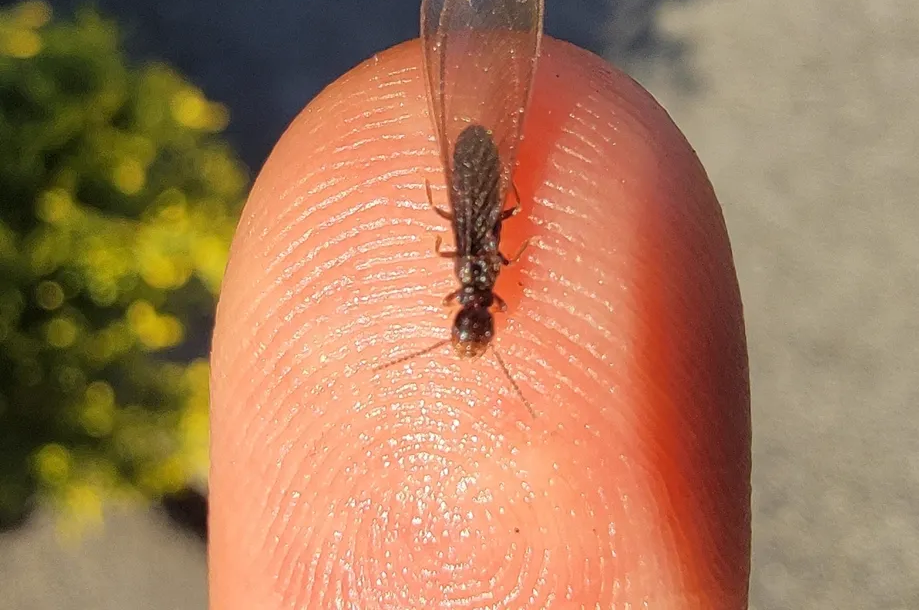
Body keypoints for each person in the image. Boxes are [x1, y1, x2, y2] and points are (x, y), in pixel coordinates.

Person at [208, 38, 751, 608]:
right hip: (479, 177)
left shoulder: (482, 266)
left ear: (473, 306)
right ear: (476, 307)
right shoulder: (478, 265)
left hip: (478, 176)